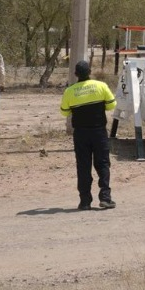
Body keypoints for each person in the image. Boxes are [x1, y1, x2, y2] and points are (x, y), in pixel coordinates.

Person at [59, 60, 116, 210]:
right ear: (90, 72)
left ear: (76, 74)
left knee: (83, 166)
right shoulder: (101, 86)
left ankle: (85, 202)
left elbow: (64, 112)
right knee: (103, 163)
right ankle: (105, 198)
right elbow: (111, 105)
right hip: (99, 132)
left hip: (81, 134)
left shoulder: (69, 91)